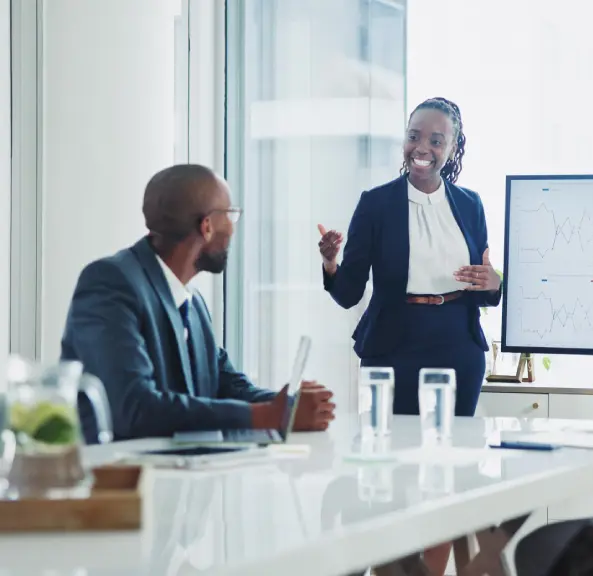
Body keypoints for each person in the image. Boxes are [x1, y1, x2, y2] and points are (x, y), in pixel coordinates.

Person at [62, 164, 336, 442]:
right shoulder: (110, 283)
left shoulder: (192, 303)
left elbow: (225, 384)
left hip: (184, 476)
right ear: (206, 226)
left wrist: (289, 405)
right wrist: (270, 415)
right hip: (124, 479)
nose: (232, 227)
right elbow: (133, 408)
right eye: (230, 215)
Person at [317, 97, 501, 418]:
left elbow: (483, 288)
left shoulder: (471, 205)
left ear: (453, 147)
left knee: (454, 457)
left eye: (436, 141)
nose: (421, 148)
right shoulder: (375, 204)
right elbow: (349, 294)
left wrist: (494, 283)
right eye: (414, 136)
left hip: (459, 349)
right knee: (390, 456)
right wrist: (331, 264)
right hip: (393, 351)